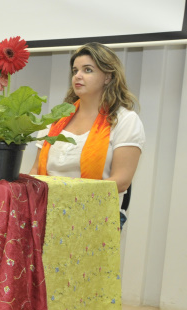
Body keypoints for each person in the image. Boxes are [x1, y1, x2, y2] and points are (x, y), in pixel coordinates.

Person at [30, 42, 144, 223]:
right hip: (46, 212)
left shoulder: (125, 120)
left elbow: (122, 181)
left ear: (108, 77)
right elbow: (36, 170)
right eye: (75, 71)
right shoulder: (56, 118)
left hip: (95, 218)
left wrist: (70, 198)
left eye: (88, 70)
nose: (78, 76)